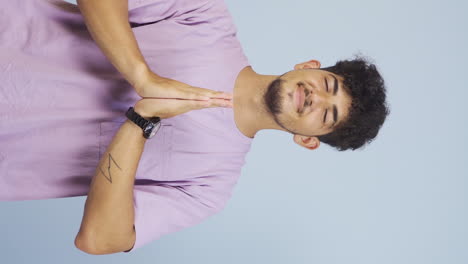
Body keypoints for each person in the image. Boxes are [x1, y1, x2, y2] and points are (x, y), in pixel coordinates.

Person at [0, 0, 389, 255]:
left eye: (327, 115)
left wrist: (139, 123)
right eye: (328, 85)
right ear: (308, 66)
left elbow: (99, 239)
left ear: (307, 140)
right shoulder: (206, 17)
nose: (317, 99)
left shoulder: (209, 186)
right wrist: (142, 76)